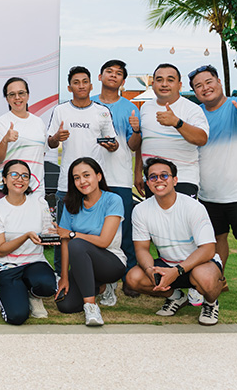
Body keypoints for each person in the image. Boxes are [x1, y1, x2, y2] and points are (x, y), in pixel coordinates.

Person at [189, 65, 237, 311]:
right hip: (208, 193)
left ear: (219, 82)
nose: (205, 88)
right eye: (198, 86)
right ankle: (218, 280)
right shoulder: (196, 115)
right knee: (214, 241)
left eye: (208, 81)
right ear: (194, 91)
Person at [124, 158, 223, 325]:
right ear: (148, 183)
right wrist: (150, 270)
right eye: (153, 177)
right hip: (167, 265)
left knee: (204, 278)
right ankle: (176, 297)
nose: (159, 180)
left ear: (175, 180)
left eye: (164, 175)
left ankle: (211, 303)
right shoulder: (141, 210)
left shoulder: (193, 207)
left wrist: (176, 271)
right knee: (133, 278)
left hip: (197, 264)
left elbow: (208, 249)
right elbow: (141, 249)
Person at [46, 66, 117, 273]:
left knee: (96, 231)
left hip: (94, 185)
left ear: (91, 85)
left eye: (84, 81)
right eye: (76, 82)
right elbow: (50, 142)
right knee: (63, 233)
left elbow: (113, 143)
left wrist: (111, 145)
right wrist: (56, 138)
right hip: (66, 184)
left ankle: (98, 275)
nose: (81, 86)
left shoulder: (102, 111)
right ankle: (60, 274)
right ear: (69, 87)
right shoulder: (60, 110)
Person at [92, 59, 142, 298]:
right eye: (109, 72)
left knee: (124, 231)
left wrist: (137, 130)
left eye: (118, 73)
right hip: (90, 180)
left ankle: (129, 279)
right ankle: (98, 278)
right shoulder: (86, 104)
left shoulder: (131, 108)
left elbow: (133, 146)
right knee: (93, 229)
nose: (113, 76)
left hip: (119, 178)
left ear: (123, 81)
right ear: (100, 77)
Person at [55, 157, 125, 326]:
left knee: (77, 244)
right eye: (76, 178)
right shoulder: (71, 204)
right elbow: (64, 241)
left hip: (111, 261)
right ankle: (101, 288)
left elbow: (104, 241)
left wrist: (73, 234)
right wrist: (64, 277)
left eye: (86, 175)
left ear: (98, 176)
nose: (82, 181)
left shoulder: (112, 200)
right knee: (66, 305)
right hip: (83, 263)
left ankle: (91, 307)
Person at [0, 159, 57, 325]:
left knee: (47, 285)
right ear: (4, 179)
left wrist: (54, 233)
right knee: (17, 317)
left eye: (25, 176)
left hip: (34, 262)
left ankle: (33, 296)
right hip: (6, 266)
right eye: (14, 174)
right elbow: (1, 249)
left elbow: (48, 231)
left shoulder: (39, 203)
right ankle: (5, 294)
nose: (20, 179)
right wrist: (26, 236)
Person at [138, 63, 209, 198]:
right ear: (153, 84)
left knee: (183, 219)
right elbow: (142, 142)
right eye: (159, 80)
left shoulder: (191, 109)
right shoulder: (145, 108)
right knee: (155, 219)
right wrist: (138, 174)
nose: (164, 84)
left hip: (183, 179)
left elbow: (202, 138)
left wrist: (177, 123)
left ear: (179, 85)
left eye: (170, 80)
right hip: (153, 180)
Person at [0, 77, 48, 200]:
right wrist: (5, 139)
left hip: (35, 190)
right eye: (12, 94)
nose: (17, 97)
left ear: (28, 96)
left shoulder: (39, 123)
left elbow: (41, 154)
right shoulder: (2, 122)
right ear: (7, 99)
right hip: (7, 190)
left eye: (21, 93)